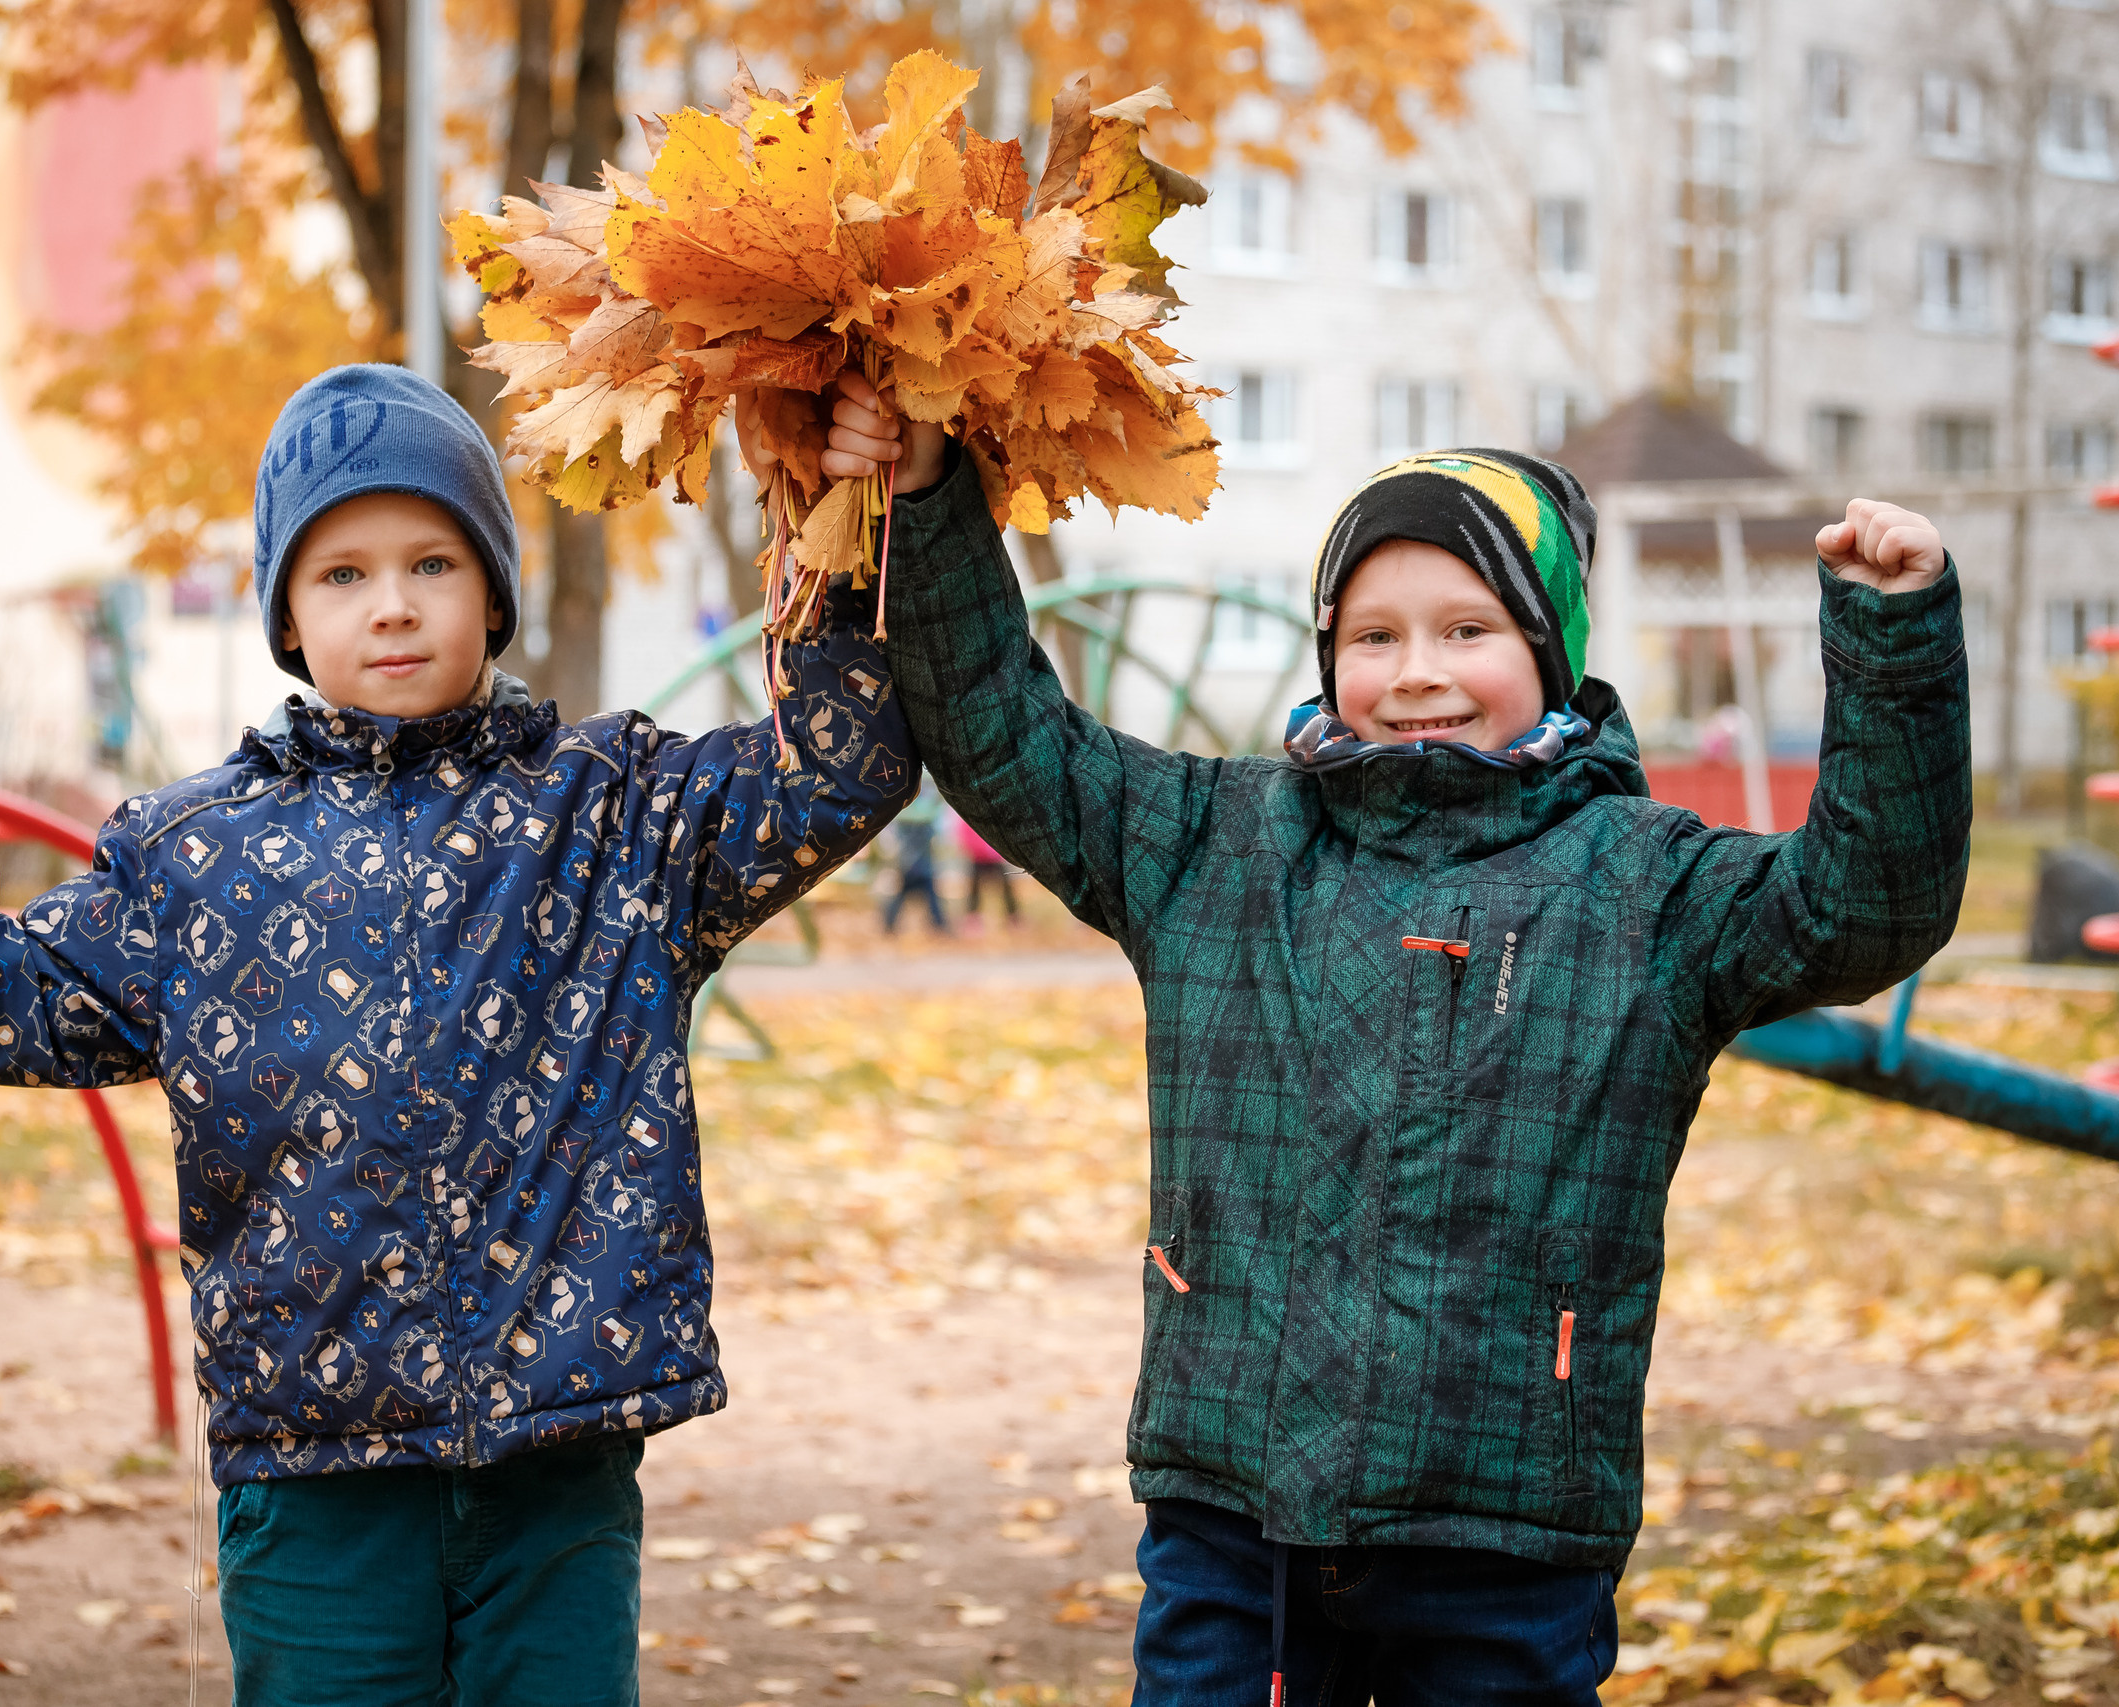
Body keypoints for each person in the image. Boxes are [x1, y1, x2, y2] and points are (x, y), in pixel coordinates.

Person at [782, 377, 1970, 1705]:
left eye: (1469, 627)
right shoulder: (1209, 844)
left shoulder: (1648, 886)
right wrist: (937, 496)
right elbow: (1005, 735)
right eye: (1376, 632)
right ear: (1329, 652)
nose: (1417, 671)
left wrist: (1893, 646)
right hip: (1234, 1518)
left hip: (1503, 1534)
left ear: (1554, 648)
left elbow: (1866, 905)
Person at [0, 363, 918, 1707]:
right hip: (315, 1474)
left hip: (549, 1465)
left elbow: (836, 770)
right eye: (341, 573)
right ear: (284, 606)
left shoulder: (615, 814)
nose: (391, 601)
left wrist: (841, 531)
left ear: (493, 589)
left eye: (432, 559)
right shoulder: (194, 854)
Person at [882, 782, 949, 934]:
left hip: (918, 865)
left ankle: (939, 925)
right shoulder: (911, 811)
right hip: (912, 865)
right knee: (902, 897)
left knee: (929, 899)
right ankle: (889, 925)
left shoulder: (914, 810)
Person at [952, 807, 1019, 930]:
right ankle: (972, 918)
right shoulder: (968, 818)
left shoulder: (994, 817)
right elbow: (965, 838)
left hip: (994, 858)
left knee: (1006, 887)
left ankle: (1013, 916)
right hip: (978, 859)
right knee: (974, 889)